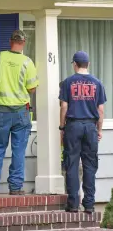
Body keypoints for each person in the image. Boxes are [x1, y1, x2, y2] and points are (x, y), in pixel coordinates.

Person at [0, 30, 39, 195]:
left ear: (10, 41)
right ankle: (15, 188)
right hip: (21, 112)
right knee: (19, 150)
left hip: (0, 112)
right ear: (24, 42)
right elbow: (32, 88)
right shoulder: (27, 62)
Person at [59, 51, 107, 214]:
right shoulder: (97, 83)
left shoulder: (68, 82)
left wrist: (62, 128)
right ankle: (89, 204)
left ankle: (73, 204)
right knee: (90, 165)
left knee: (71, 164)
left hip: (73, 126)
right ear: (88, 64)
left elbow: (64, 106)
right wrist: (99, 130)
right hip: (90, 126)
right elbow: (101, 110)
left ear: (75, 64)